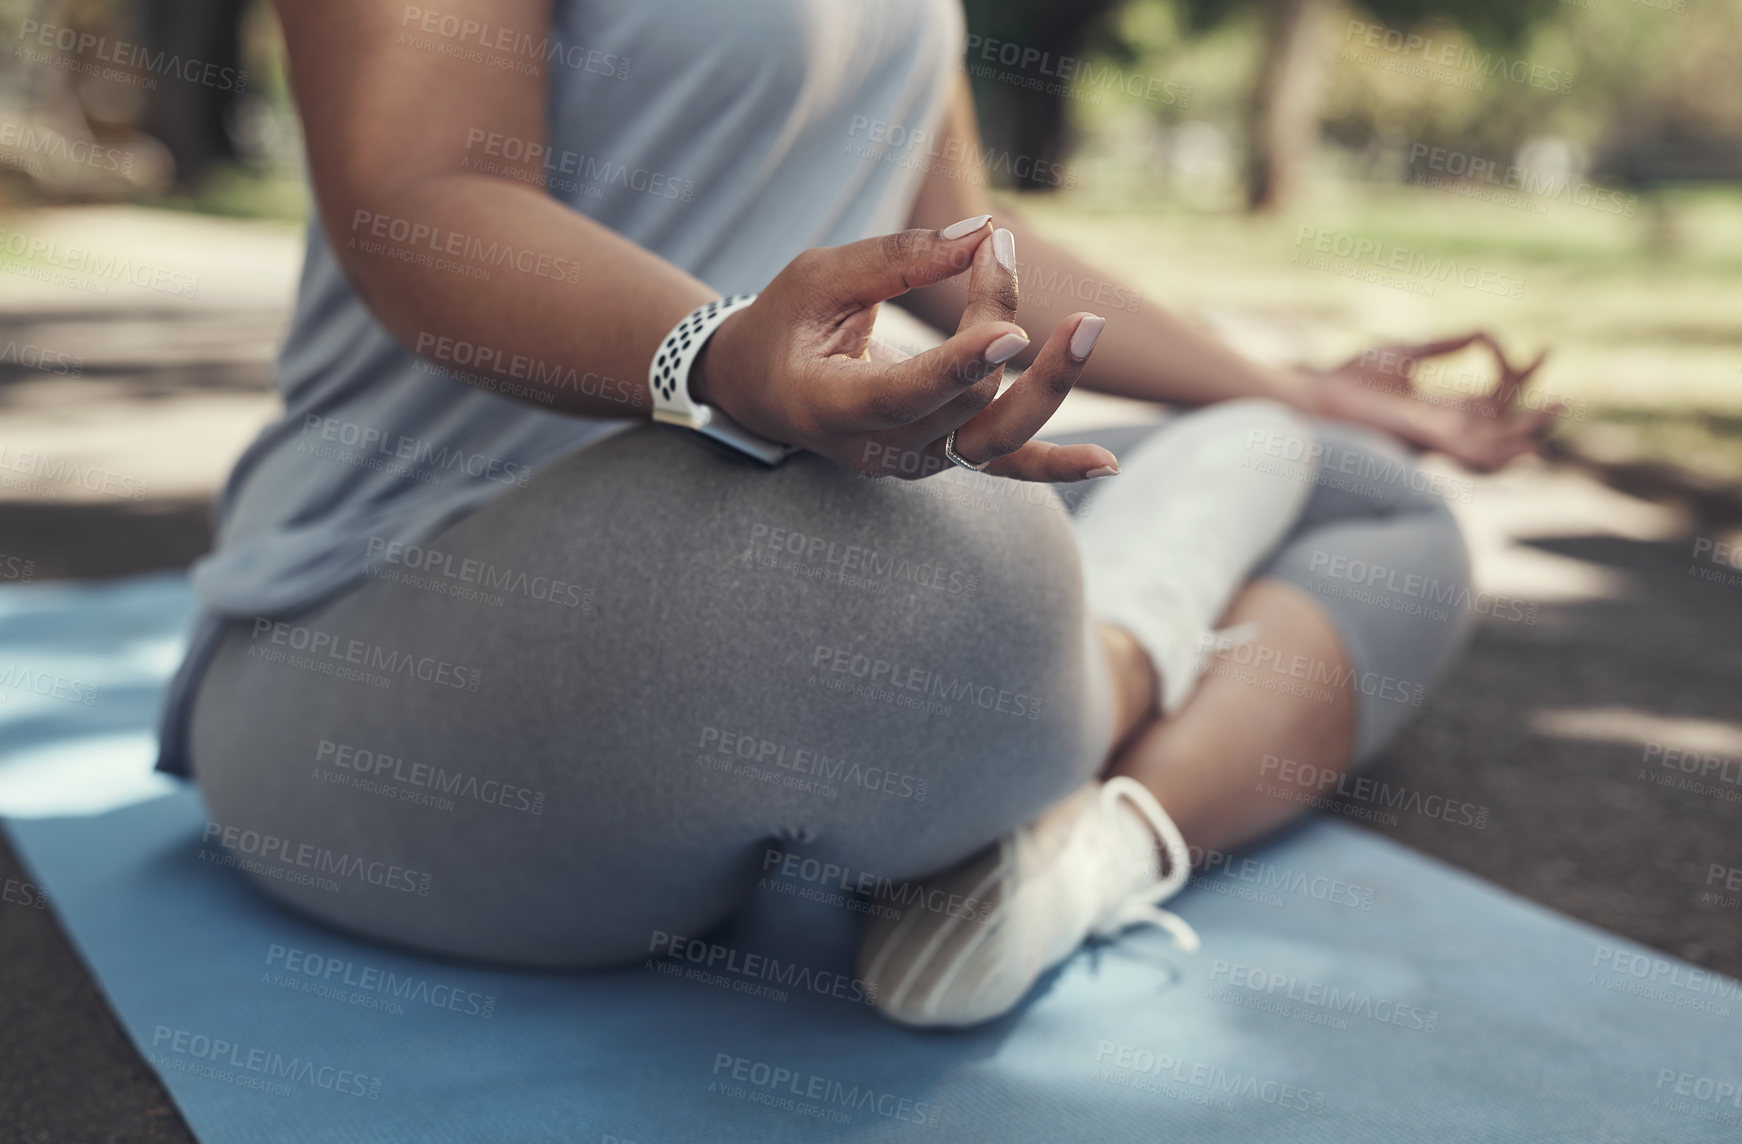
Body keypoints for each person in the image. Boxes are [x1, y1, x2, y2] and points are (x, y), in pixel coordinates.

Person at [162, 0, 1554, 1029]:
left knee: (1370, 492)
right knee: (925, 558)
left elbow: (963, 245)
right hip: (386, 656)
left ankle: (1068, 862)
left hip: (774, 573)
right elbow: (424, 196)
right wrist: (718, 357)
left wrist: (1293, 389)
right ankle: (1115, 662)